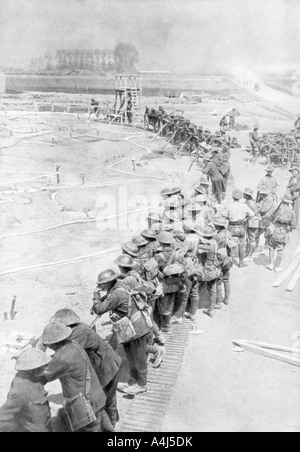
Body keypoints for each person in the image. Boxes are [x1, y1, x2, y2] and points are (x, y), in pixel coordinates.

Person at [49, 309, 122, 429]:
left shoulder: (77, 333)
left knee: (106, 402)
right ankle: (112, 423)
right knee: (108, 399)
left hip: (108, 368)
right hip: (108, 364)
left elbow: (67, 355)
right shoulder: (79, 328)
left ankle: (111, 427)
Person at [92, 269, 153, 396]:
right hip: (133, 326)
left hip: (136, 329)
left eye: (101, 284)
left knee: (138, 358)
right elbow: (109, 297)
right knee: (132, 356)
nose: (99, 286)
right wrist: (101, 299)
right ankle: (133, 382)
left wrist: (96, 296)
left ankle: (142, 385)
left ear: (109, 282)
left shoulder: (117, 293)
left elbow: (100, 309)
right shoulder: (119, 284)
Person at [41, 323, 112, 432]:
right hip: (97, 399)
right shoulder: (73, 345)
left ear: (53, 343)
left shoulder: (62, 357)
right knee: (107, 429)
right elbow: (56, 360)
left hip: (86, 408)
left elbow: (43, 376)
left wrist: (38, 353)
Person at [0, 348, 52, 432]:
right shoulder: (20, 390)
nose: (45, 367)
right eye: (43, 366)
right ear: (34, 368)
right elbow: (4, 416)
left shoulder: (34, 377)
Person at [222, 189, 255, 267]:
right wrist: (245, 219)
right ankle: (241, 263)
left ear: (233, 197)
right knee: (241, 245)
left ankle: (229, 261)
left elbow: (223, 214)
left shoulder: (229, 206)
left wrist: (228, 218)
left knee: (229, 244)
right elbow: (252, 214)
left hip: (231, 226)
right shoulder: (244, 205)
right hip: (240, 226)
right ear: (240, 197)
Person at [266, 194, 297, 272]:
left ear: (283, 200)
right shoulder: (292, 212)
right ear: (289, 202)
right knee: (280, 250)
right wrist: (289, 226)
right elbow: (294, 225)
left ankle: (270, 265)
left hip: (274, 230)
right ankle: (277, 267)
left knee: (271, 248)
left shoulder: (277, 208)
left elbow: (269, 215)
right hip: (283, 232)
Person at [198, 226, 221, 318]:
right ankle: (213, 307)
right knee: (213, 288)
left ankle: (211, 309)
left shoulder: (206, 244)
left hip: (208, 268)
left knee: (210, 288)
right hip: (214, 266)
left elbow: (199, 252)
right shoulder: (214, 242)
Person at [243, 188, 261, 262]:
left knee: (251, 239)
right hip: (251, 222)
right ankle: (248, 253)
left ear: (247, 195)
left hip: (252, 223)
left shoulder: (250, 203)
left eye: (244, 194)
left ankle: (250, 256)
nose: (243, 195)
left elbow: (254, 212)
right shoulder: (249, 202)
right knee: (250, 239)